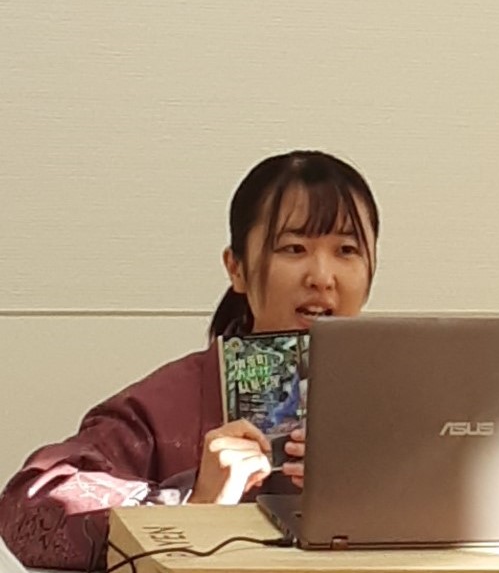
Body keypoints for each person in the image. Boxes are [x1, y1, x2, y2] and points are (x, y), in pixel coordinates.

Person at [0, 150, 380, 570]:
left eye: (347, 249)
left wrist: (384, 492)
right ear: (236, 268)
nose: (322, 277)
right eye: (294, 248)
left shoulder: (406, 400)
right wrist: (193, 504)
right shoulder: (171, 402)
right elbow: (29, 506)